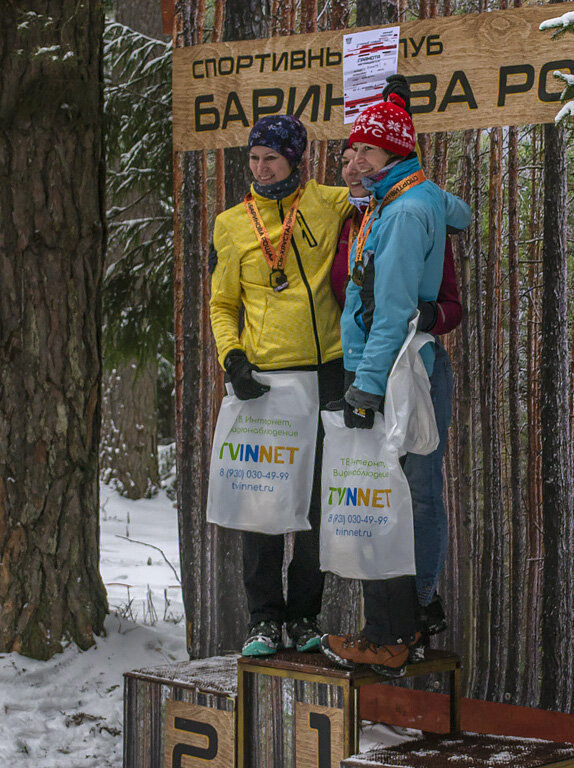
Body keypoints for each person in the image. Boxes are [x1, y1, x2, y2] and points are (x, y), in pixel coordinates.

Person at [320, 90, 472, 677]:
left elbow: (394, 313)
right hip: (401, 368)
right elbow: (455, 209)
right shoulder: (406, 198)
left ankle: (391, 635)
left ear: (388, 155)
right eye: (350, 149)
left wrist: (366, 384)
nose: (351, 161)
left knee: (396, 499)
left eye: (363, 150)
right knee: (404, 494)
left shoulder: (404, 213)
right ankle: (404, 622)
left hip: (398, 370)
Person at [209, 115, 353, 657]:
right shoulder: (231, 224)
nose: (261, 168)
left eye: (272, 157)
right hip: (265, 379)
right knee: (263, 505)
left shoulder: (329, 202)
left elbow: (384, 180)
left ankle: (304, 616)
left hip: (327, 373)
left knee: (318, 505)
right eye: (253, 158)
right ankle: (263, 620)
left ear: (296, 159)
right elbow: (223, 304)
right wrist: (233, 357)